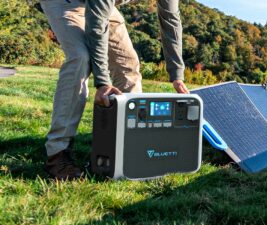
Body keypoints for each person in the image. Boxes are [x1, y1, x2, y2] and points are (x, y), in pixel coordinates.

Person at [39, 0, 188, 180]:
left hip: (101, 7)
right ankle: (57, 154)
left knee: (128, 63)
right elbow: (97, 21)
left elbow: (170, 21)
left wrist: (177, 75)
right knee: (80, 58)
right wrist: (103, 82)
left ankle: (129, 145)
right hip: (65, 3)